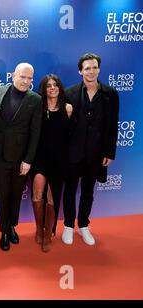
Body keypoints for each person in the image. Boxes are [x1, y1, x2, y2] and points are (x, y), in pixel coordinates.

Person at [62, 53, 119, 246]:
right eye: (87, 68)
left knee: (88, 191)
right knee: (69, 190)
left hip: (96, 154)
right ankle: (69, 225)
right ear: (80, 71)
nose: (91, 71)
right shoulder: (69, 93)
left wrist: (109, 152)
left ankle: (84, 225)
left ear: (99, 69)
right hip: (73, 153)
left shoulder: (110, 94)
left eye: (94, 67)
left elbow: (113, 125)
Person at [0, 62, 42, 251]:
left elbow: (36, 132)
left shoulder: (35, 99)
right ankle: (3, 231)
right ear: (13, 75)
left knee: (16, 196)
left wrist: (28, 160)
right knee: (3, 194)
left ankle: (12, 227)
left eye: (29, 78)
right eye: (22, 77)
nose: (26, 81)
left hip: (21, 159)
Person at [30, 75, 72, 252]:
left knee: (51, 197)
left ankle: (48, 234)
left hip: (59, 159)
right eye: (48, 86)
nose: (52, 88)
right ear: (44, 89)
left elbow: (71, 136)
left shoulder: (67, 108)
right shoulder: (37, 107)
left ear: (60, 88)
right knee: (37, 193)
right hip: (39, 158)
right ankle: (39, 229)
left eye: (55, 85)